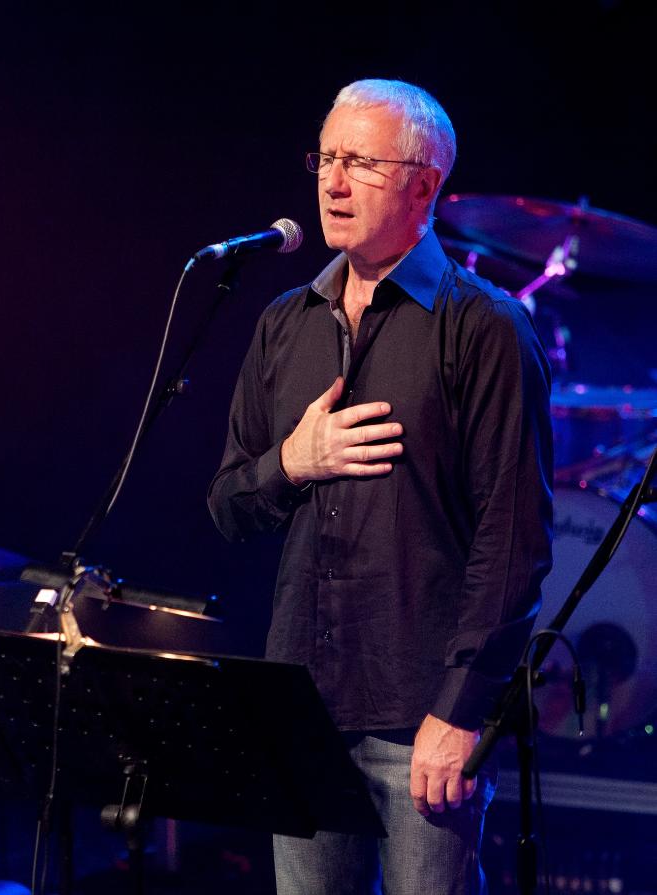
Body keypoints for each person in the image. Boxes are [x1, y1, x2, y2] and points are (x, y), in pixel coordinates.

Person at [207, 79, 552, 893]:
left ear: (424, 186)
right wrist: (292, 462)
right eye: (325, 157)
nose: (331, 182)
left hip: (421, 717)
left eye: (359, 161)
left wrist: (461, 708)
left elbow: (515, 545)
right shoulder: (285, 322)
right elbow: (226, 507)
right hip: (300, 707)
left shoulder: (486, 327)